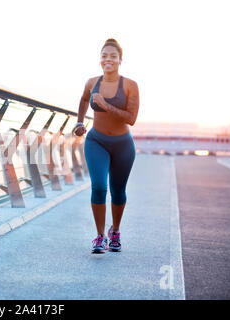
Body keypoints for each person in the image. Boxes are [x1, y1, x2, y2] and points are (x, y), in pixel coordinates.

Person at [73, 38, 140, 254]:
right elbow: (84, 100)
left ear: (120, 59)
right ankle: (100, 236)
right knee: (99, 187)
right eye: (104, 55)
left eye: (112, 55)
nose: (108, 59)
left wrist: (105, 105)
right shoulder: (92, 82)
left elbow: (131, 118)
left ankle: (115, 231)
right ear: (100, 59)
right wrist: (80, 122)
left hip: (123, 145)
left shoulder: (130, 85)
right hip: (96, 141)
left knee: (118, 191)